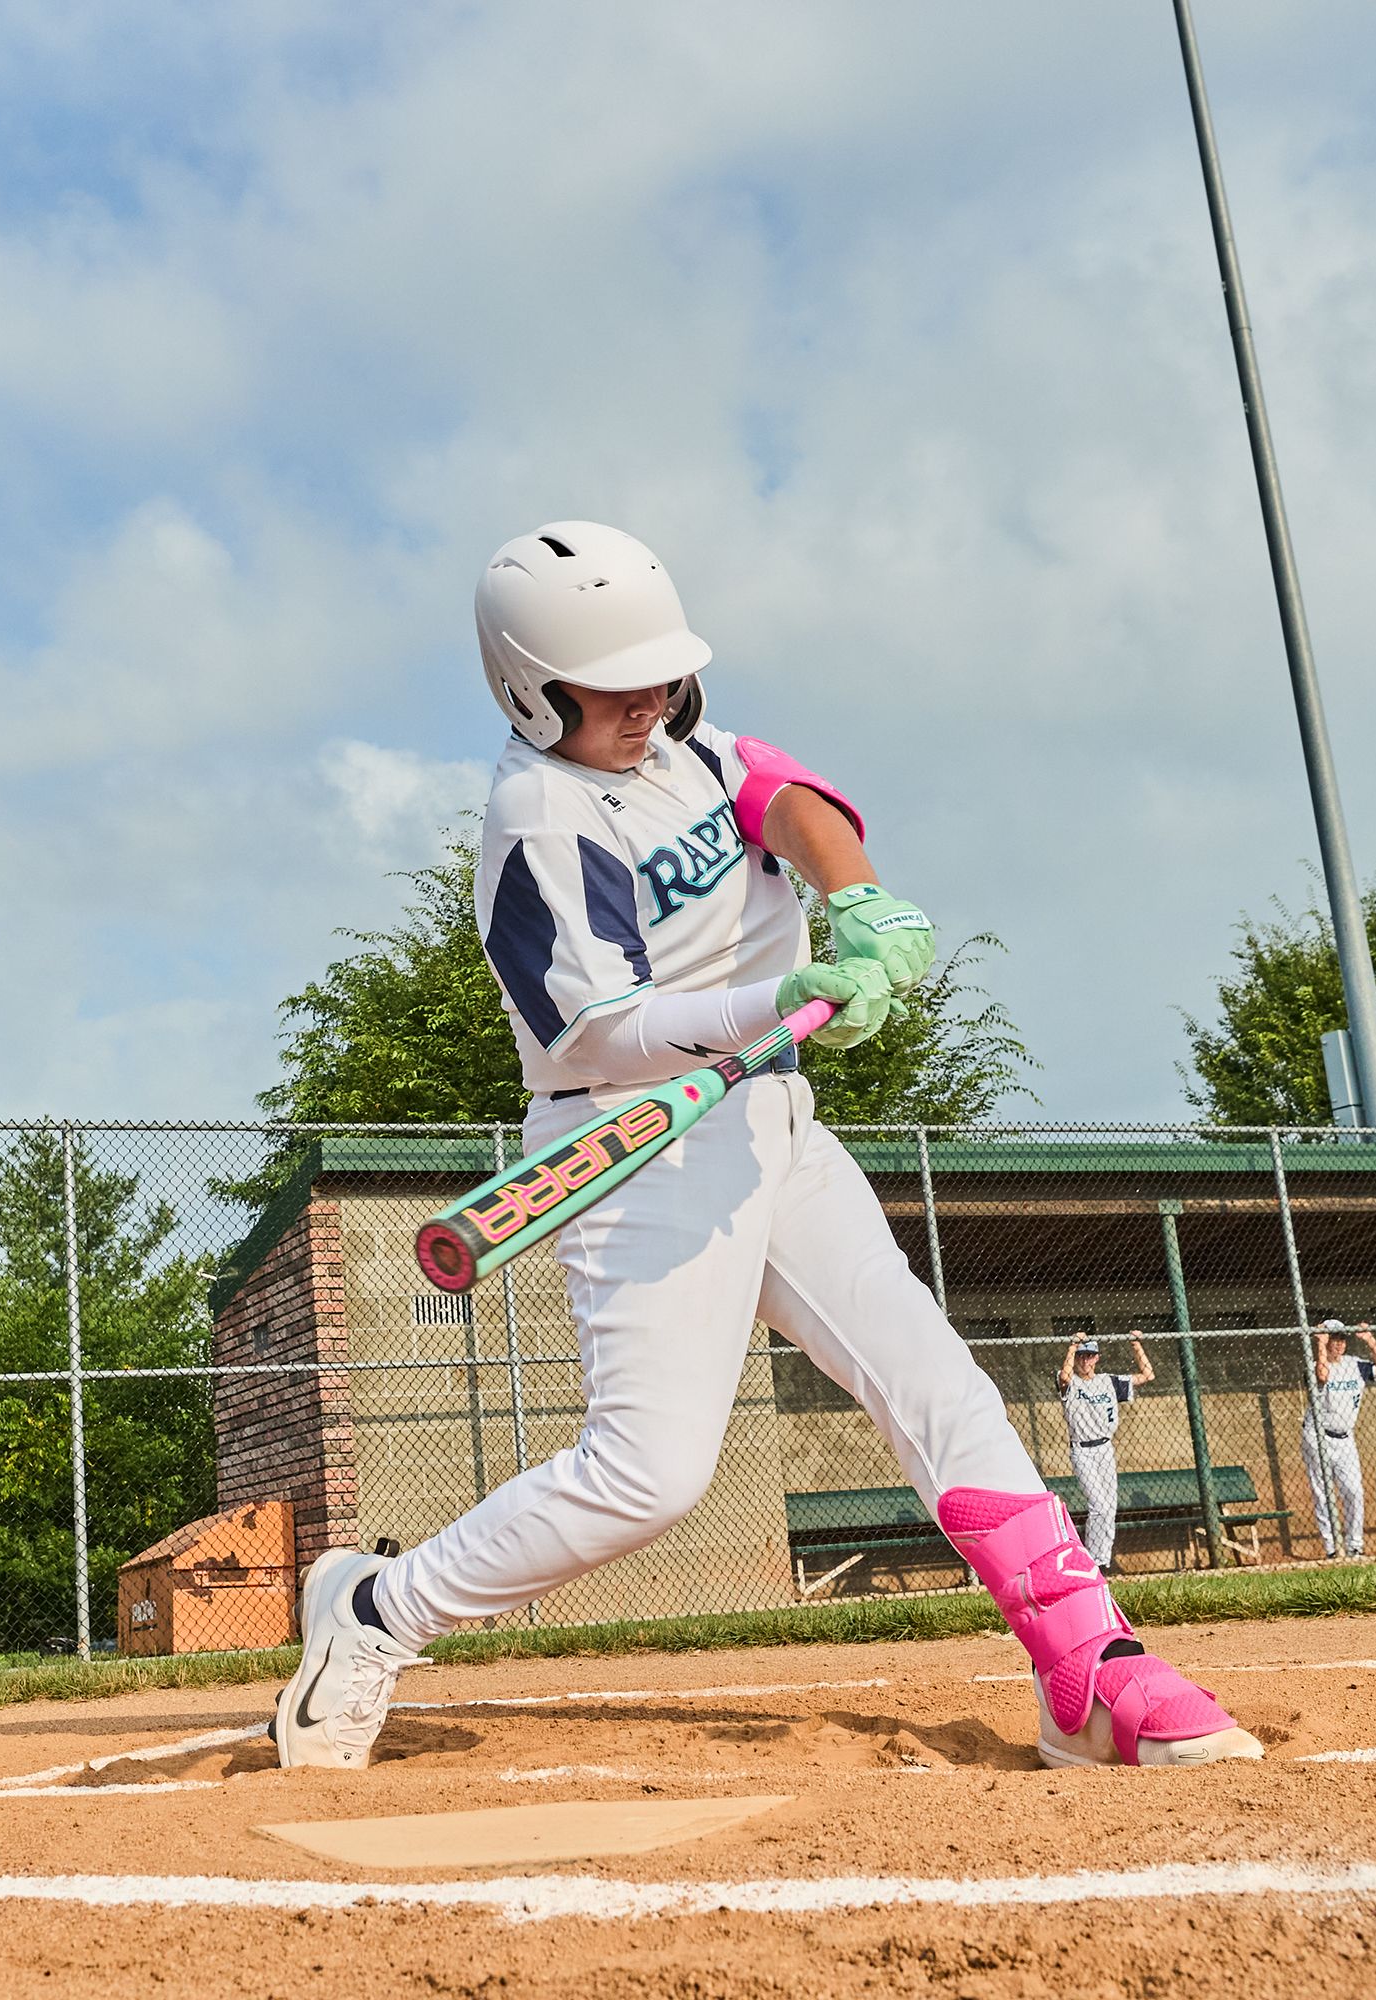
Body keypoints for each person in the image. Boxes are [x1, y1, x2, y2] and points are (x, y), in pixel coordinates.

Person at [274, 522, 1261, 1772]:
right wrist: (777, 998)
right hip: (634, 1141)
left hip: (768, 1119)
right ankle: (376, 1609)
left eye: (657, 674)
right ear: (531, 688)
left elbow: (784, 798)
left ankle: (1086, 1666)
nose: (644, 701)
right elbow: (595, 1024)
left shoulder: (693, 750)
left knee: (931, 1381)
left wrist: (857, 901)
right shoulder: (538, 811)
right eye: (607, 685)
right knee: (649, 1472)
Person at [1056, 1332, 1153, 1573]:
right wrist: (1072, 1346)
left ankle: (1102, 1561)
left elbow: (1148, 1375)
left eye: (1089, 1356)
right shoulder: (1069, 1380)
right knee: (1098, 1505)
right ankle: (1093, 1560)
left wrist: (1135, 1344)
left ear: (1097, 1358)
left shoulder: (1108, 1381)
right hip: (1082, 1450)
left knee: (1109, 1507)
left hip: (1105, 1448)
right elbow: (1065, 1377)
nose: (1085, 1361)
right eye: (1081, 1357)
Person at [1300, 1317, 1376, 1560]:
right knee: (1322, 1493)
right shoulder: (1315, 1364)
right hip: (1317, 1435)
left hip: (1345, 1439)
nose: (1339, 1344)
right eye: (1334, 1339)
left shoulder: (1356, 1365)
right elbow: (1321, 1377)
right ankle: (1332, 1548)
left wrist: (1370, 1340)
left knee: (1353, 1491)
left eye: (1342, 1339)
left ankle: (1354, 1545)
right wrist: (1319, 1344)